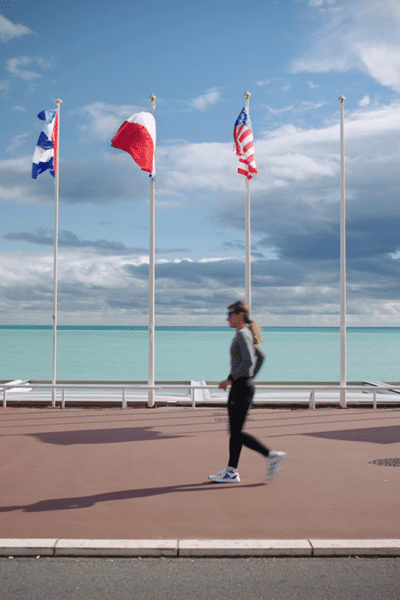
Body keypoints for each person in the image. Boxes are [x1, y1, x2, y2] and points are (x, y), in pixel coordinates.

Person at [209, 300, 286, 483]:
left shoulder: (242, 334)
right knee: (235, 431)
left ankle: (271, 455)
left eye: (230, 315)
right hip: (244, 386)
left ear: (240, 315)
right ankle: (231, 471)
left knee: (236, 433)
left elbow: (249, 362)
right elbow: (260, 356)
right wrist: (249, 377)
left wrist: (232, 377)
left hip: (241, 387)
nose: (227, 319)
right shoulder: (245, 334)